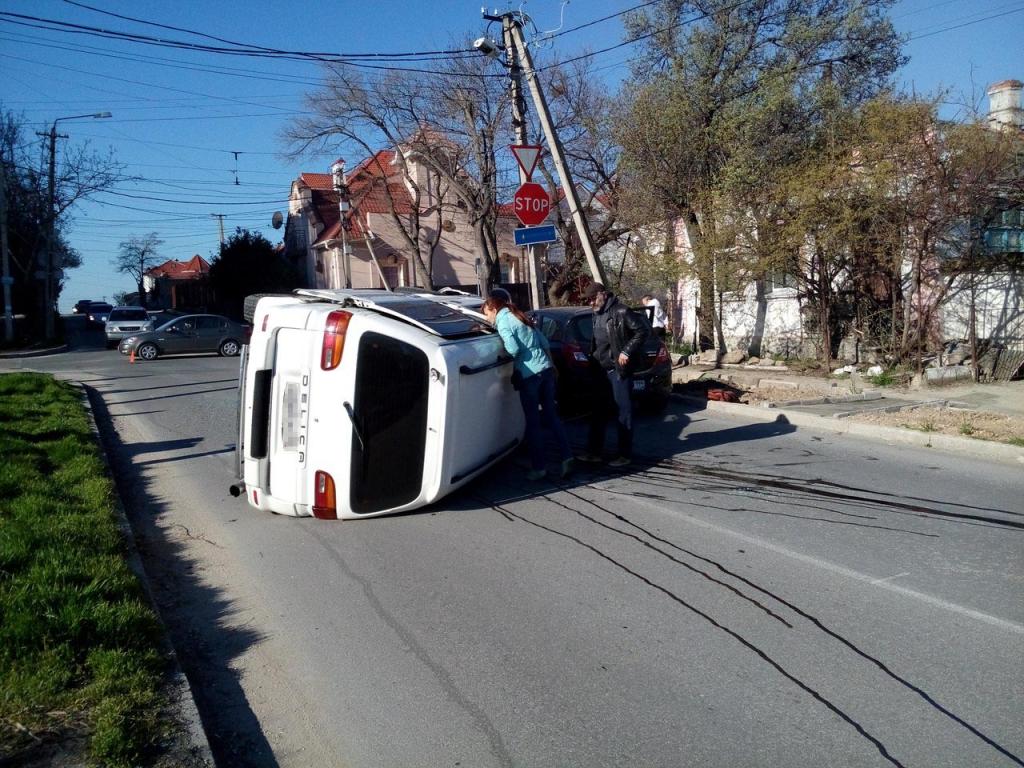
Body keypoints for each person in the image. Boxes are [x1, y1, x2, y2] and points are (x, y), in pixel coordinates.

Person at [482, 291, 574, 481]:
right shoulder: (520, 316)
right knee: (552, 416)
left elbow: (514, 349)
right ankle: (567, 457)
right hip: (546, 370)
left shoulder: (504, 321)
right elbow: (543, 341)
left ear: (493, 308)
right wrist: (552, 365)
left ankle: (539, 468)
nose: (487, 318)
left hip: (529, 374)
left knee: (533, 423)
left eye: (487, 313)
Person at [579, 283, 650, 467]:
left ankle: (624, 455)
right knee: (598, 411)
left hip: (617, 371)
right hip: (600, 371)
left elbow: (643, 331)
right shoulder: (597, 313)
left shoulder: (621, 311)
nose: (590, 302)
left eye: (592, 298)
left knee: (623, 412)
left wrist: (626, 351)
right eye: (588, 299)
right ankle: (594, 452)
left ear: (603, 294)